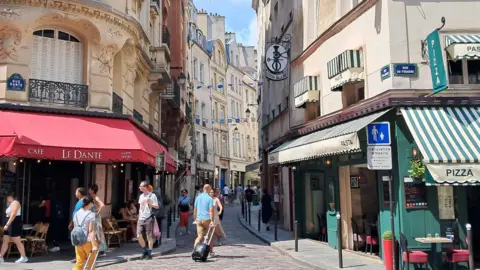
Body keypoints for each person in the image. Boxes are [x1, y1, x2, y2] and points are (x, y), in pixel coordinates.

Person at [0, 192, 28, 263]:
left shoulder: (15, 203)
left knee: (17, 241)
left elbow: (13, 214)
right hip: (10, 223)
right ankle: (1, 257)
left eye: (7, 197)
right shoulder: (11, 203)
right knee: (5, 241)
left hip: (13, 224)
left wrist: (7, 224)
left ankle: (24, 257)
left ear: (10, 196)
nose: (7, 199)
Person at [72, 195, 98, 270]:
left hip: (78, 241)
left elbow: (75, 227)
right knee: (91, 264)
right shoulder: (91, 215)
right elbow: (91, 231)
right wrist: (94, 245)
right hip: (88, 241)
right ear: (90, 203)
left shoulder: (76, 214)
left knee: (79, 263)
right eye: (93, 203)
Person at [137, 181, 159, 260]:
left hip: (148, 218)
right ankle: (144, 250)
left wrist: (150, 204)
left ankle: (149, 253)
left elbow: (157, 206)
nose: (139, 187)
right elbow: (140, 208)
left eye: (141, 186)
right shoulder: (141, 196)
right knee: (138, 235)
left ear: (145, 187)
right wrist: (139, 217)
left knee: (149, 236)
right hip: (141, 218)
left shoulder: (152, 195)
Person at [193, 184, 216, 258]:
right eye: (210, 189)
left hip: (199, 219)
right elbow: (211, 210)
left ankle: (195, 251)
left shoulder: (198, 197)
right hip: (207, 219)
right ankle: (211, 252)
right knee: (210, 236)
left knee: (199, 236)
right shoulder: (210, 198)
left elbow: (195, 209)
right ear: (208, 189)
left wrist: (195, 219)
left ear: (203, 189)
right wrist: (212, 221)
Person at [68, 187, 87, 263]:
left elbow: (78, 213)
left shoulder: (83, 201)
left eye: (76, 192)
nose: (75, 193)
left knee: (78, 240)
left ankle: (80, 258)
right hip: (76, 222)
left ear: (79, 193)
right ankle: (79, 257)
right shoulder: (80, 201)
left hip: (79, 224)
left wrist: (72, 222)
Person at [88, 185, 106, 255]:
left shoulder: (95, 197)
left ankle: (101, 249)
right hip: (93, 216)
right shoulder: (92, 197)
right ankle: (97, 248)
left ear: (92, 190)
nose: (89, 190)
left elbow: (102, 205)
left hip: (95, 217)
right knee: (94, 232)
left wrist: (97, 213)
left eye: (90, 189)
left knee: (97, 232)